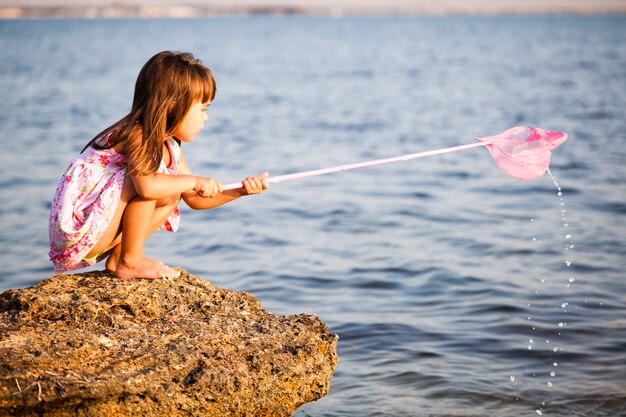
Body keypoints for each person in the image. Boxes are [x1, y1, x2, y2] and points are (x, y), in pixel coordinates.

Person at [49, 51, 268, 280]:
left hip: (100, 229)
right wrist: (194, 181)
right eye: (202, 109)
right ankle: (131, 261)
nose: (206, 118)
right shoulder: (138, 134)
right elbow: (147, 188)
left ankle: (120, 258)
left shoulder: (169, 145)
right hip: (79, 228)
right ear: (173, 105)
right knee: (152, 184)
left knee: (171, 193)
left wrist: (241, 190)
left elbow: (192, 198)